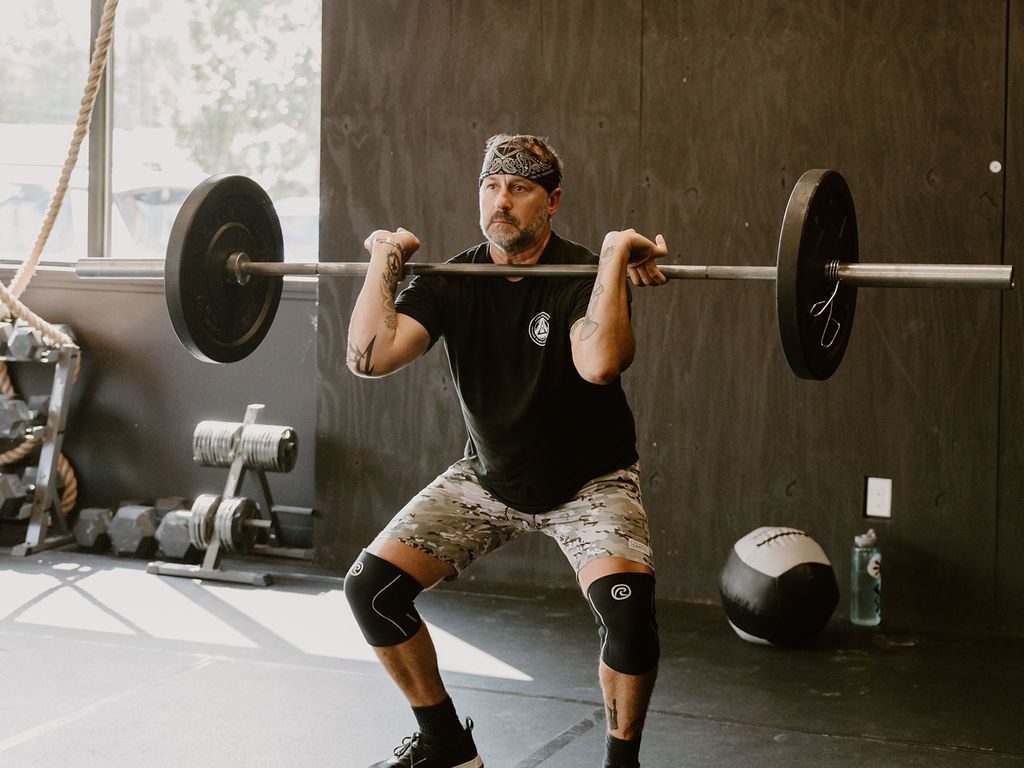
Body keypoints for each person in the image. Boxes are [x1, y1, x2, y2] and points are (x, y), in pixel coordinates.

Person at [343, 134, 669, 768]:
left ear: (552, 202)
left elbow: (599, 363)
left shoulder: (580, 275)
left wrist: (611, 260)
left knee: (629, 621)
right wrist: (386, 257)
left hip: (591, 485)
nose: (501, 201)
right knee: (371, 590)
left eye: (519, 189)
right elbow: (368, 357)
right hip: (489, 479)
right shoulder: (455, 280)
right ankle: (445, 743)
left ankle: (621, 764)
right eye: (491, 186)